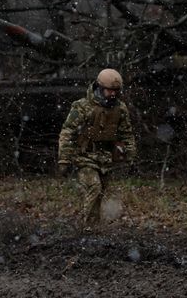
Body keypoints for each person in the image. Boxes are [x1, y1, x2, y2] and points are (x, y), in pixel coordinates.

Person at [57, 68, 137, 228]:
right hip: (85, 156)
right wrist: (64, 159)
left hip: (106, 157)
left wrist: (130, 155)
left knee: (100, 194)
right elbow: (67, 132)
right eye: (109, 90)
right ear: (100, 88)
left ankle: (93, 227)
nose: (113, 94)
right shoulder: (82, 107)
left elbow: (126, 133)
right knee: (94, 186)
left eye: (116, 91)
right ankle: (85, 226)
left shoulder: (120, 109)